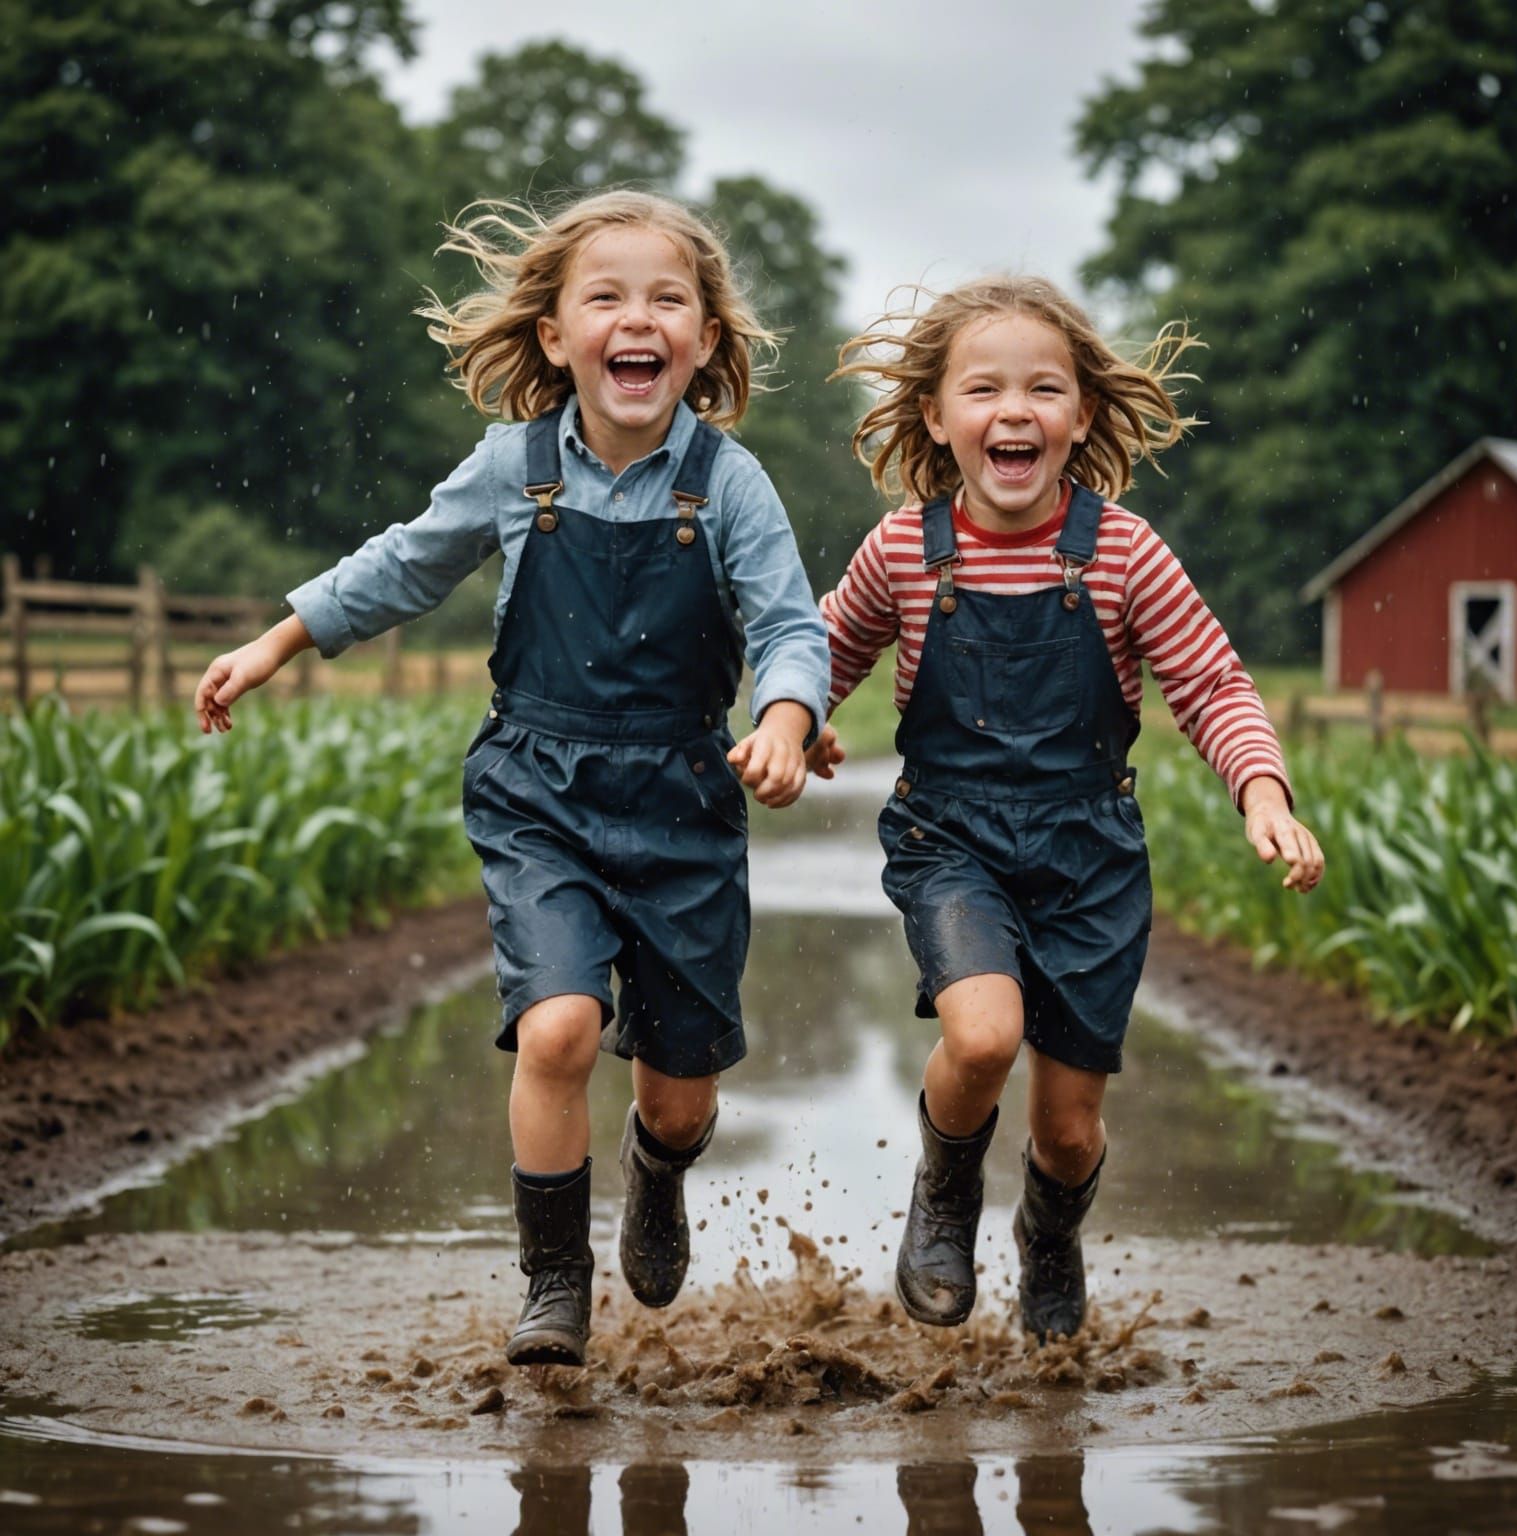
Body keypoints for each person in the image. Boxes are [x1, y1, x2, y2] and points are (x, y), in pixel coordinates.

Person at [193, 190, 830, 1367]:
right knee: (558, 1028)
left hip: (686, 801)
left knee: (679, 1093)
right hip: (539, 790)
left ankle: (656, 1170)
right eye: (606, 298)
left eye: (666, 301)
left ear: (702, 339)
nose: (636, 320)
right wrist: (276, 640)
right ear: (554, 336)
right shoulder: (512, 467)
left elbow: (793, 624)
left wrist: (787, 719)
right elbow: (402, 566)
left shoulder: (729, 484)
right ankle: (552, 1281)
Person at [815, 276, 1323, 1340]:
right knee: (985, 1034)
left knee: (1072, 1131)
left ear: (1082, 414)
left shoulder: (1124, 554)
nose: (1015, 410)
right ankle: (946, 1191)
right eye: (984, 389)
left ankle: (1048, 1235)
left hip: (1090, 855)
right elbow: (822, 648)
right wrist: (795, 715)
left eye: (1045, 388)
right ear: (938, 417)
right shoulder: (909, 549)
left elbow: (1214, 684)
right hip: (950, 836)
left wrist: (1263, 791)